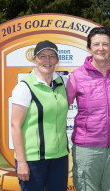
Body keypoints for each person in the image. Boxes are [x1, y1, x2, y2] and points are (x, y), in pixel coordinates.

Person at [66, 27, 110, 191]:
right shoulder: (77, 76)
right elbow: (60, 107)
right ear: (89, 48)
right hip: (87, 148)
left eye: (106, 44)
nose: (101, 48)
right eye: (96, 44)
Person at [11, 40, 69, 191]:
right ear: (34, 59)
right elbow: (15, 126)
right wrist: (22, 162)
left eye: (52, 56)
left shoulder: (64, 83)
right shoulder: (24, 87)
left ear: (57, 59)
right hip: (33, 160)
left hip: (59, 158)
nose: (47, 60)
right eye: (42, 56)